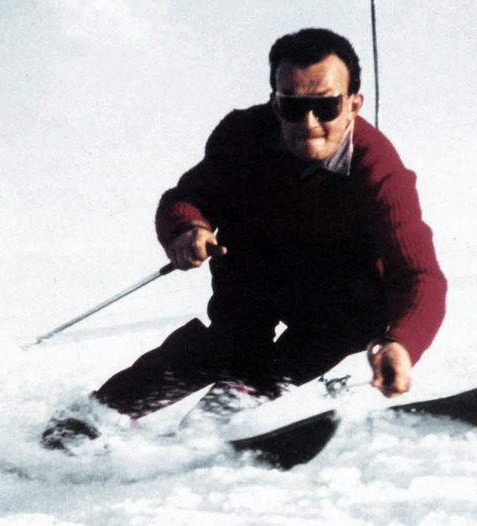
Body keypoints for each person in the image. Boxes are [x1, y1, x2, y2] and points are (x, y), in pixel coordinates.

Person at [88, 28, 447, 423]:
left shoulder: (379, 170)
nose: (308, 123)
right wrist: (188, 229)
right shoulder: (242, 137)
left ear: (353, 105)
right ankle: (94, 417)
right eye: (292, 106)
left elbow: (419, 275)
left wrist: (402, 344)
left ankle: (218, 418)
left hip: (337, 299)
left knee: (340, 329)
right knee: (229, 345)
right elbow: (185, 199)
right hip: (253, 278)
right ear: (274, 103)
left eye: (325, 107)